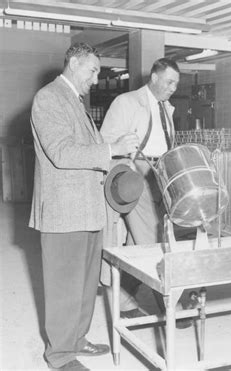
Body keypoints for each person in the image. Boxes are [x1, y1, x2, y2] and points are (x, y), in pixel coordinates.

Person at [29, 42, 139, 371]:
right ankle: (60, 356)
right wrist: (110, 148)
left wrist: (117, 156)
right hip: (64, 212)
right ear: (75, 64)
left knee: (86, 283)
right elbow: (62, 153)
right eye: (92, 70)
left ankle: (77, 340)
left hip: (88, 209)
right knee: (64, 285)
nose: (95, 78)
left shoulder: (75, 102)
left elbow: (89, 153)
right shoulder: (48, 98)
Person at [100, 58, 195, 323]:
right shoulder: (126, 102)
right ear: (153, 77)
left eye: (176, 82)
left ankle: (125, 299)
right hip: (134, 175)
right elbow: (105, 141)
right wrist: (123, 152)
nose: (173, 87)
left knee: (140, 241)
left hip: (160, 175)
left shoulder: (166, 107)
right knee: (155, 238)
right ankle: (172, 304)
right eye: (169, 81)